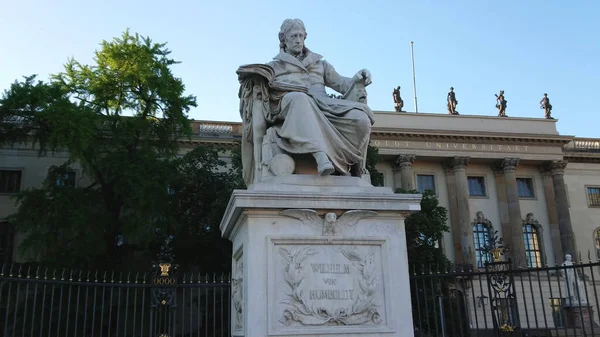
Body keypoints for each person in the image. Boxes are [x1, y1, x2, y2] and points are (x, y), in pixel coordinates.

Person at [260, 19, 374, 178]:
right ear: (283, 39)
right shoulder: (273, 66)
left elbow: (342, 84)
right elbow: (264, 94)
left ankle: (350, 167)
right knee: (300, 99)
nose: (298, 40)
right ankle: (321, 156)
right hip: (289, 106)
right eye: (293, 36)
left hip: (324, 105)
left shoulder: (320, 64)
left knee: (361, 118)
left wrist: (358, 78)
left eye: (301, 36)